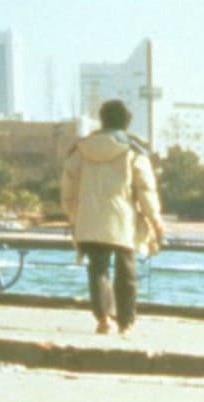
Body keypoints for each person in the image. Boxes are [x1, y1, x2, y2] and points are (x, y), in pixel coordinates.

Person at [62, 99, 165, 335]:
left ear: (102, 120)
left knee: (98, 270)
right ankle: (125, 322)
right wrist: (155, 219)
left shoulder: (82, 150)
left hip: (90, 219)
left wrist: (73, 214)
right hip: (122, 221)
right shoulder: (133, 151)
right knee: (126, 272)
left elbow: (69, 186)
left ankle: (103, 318)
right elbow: (145, 189)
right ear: (126, 122)